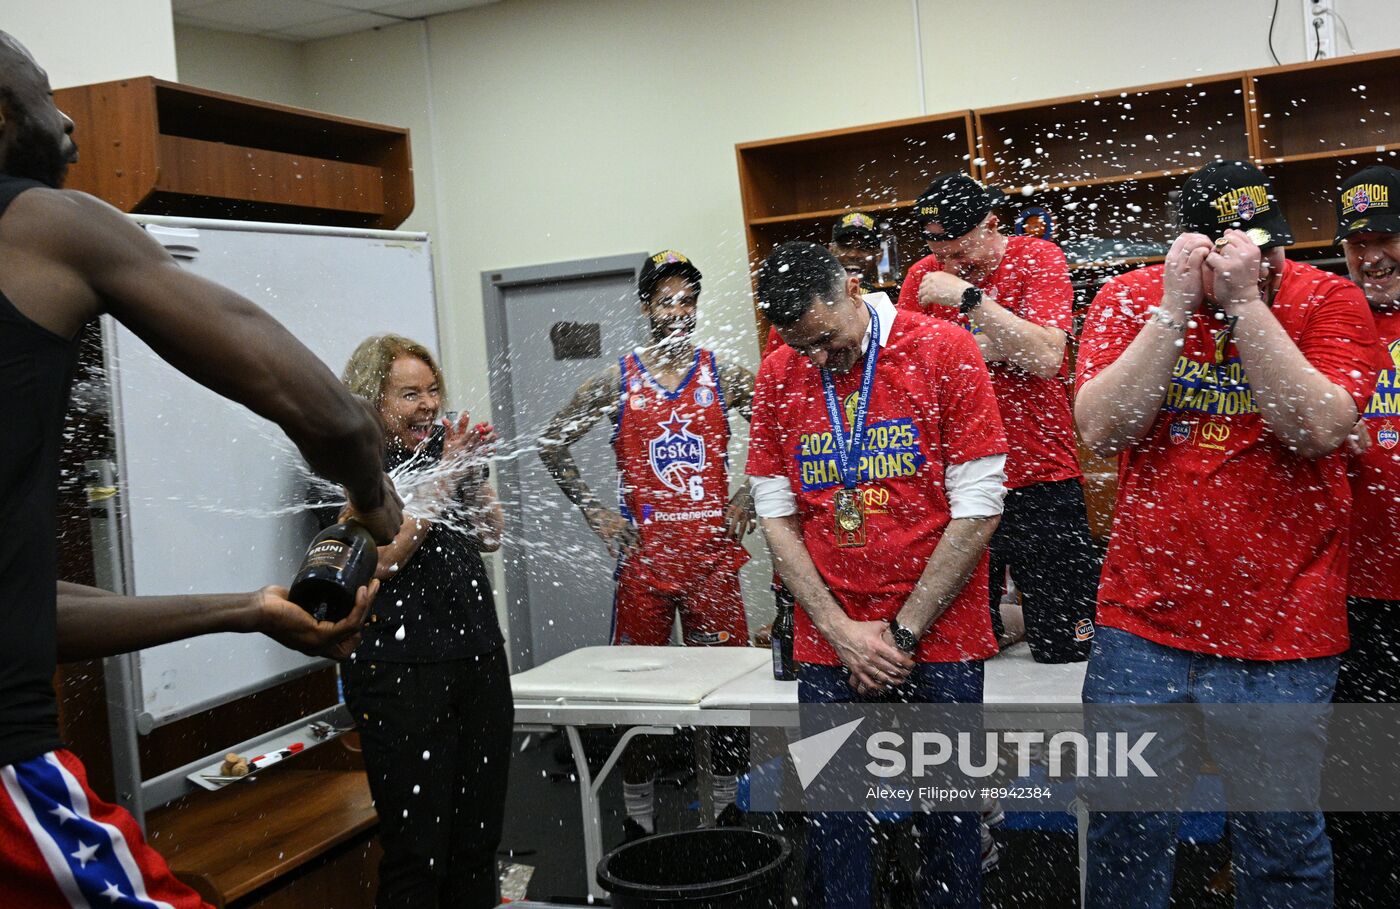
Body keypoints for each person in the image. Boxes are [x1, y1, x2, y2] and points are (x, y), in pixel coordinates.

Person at [0, 32, 400, 909]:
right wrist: (376, 504)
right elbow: (331, 415)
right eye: (43, 98)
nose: (68, 120)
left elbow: (22, 612)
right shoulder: (40, 223)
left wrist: (243, 610)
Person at [1074, 160, 1384, 909]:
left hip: (1284, 629)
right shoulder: (1130, 298)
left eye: (1271, 248)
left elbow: (1312, 426)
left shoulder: (1331, 298)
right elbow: (1101, 426)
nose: (1264, 263)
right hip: (1142, 625)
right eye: (1240, 251)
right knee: (1124, 830)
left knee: (1281, 839)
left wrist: (1245, 303)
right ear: (1192, 249)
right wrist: (1175, 310)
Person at [748, 240, 1008, 907]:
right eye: (800, 345)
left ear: (852, 291)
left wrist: (900, 633)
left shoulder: (944, 349)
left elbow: (978, 508)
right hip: (828, 640)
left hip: (940, 633)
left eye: (826, 339)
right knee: (836, 824)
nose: (817, 359)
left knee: (951, 822)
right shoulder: (779, 374)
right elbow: (776, 517)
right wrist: (839, 630)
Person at [538, 249, 756, 838]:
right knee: (637, 700)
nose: (680, 311)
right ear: (646, 307)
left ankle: (729, 807)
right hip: (645, 563)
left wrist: (749, 495)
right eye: (667, 301)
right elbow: (549, 442)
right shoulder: (616, 381)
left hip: (711, 560)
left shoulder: (724, 374)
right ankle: (637, 820)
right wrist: (595, 513)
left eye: (688, 299)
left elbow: (781, 428)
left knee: (729, 694)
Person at [320, 335, 510, 909]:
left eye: (432, 391)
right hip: (402, 678)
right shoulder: (354, 468)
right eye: (409, 394)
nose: (428, 404)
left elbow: (491, 536)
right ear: (373, 402)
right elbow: (380, 558)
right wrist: (447, 477)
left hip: (477, 662)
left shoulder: (438, 457)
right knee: (419, 859)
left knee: (477, 849)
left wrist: (471, 474)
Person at [900, 171, 1097, 663]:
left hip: (1040, 474)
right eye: (942, 254)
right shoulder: (922, 275)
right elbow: (908, 372)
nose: (950, 266)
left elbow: (1048, 358)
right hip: (959, 486)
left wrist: (968, 301)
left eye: (962, 254)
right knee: (964, 646)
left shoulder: (1038, 257)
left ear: (993, 224)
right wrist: (995, 346)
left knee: (1065, 649)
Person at [1324, 164, 1400, 909]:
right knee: (1361, 767)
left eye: (1384, 238)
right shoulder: (1332, 317)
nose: (1371, 256)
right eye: (1355, 243)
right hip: (1352, 588)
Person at [763, 211, 888, 358]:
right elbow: (773, 368)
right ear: (831, 250)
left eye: (864, 247)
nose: (853, 254)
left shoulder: (893, 310)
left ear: (879, 256)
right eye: (845, 246)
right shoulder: (792, 317)